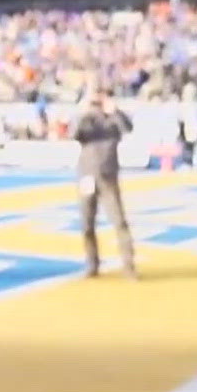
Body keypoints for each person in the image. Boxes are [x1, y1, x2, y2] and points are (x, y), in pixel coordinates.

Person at [71, 94, 137, 279]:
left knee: (119, 221)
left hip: (108, 176)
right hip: (87, 175)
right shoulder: (86, 121)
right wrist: (83, 111)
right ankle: (92, 264)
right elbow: (74, 133)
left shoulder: (113, 120)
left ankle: (128, 265)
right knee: (87, 223)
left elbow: (128, 128)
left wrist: (114, 111)